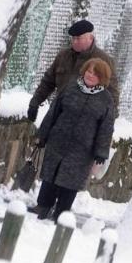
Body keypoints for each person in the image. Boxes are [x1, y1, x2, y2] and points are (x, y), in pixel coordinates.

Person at [32, 58, 116, 222]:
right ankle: (42, 206)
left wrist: (101, 151)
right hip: (58, 140)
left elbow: (106, 128)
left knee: (70, 183)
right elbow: (53, 112)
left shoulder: (106, 100)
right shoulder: (70, 87)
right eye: (89, 71)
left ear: (102, 78)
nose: (90, 75)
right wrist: (43, 135)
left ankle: (61, 214)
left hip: (83, 150)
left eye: (95, 74)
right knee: (50, 176)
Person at [27, 19, 120, 122]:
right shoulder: (63, 56)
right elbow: (48, 82)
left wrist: (108, 118)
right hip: (58, 113)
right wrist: (35, 103)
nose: (74, 42)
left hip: (85, 120)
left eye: (78, 38)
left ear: (90, 37)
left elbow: (112, 92)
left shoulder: (104, 61)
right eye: (73, 38)